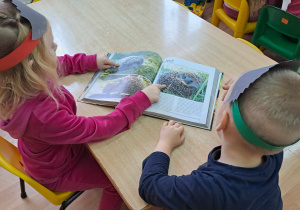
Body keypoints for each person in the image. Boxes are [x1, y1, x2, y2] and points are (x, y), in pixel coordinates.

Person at [0, 1, 165, 210]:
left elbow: (57, 64)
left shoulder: (20, 81)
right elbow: (96, 128)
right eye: (51, 47)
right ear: (34, 67)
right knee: (117, 181)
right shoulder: (43, 117)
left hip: (53, 153)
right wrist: (140, 100)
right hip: (59, 170)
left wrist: (90, 61)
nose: (57, 48)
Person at [139, 66, 300, 209]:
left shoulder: (208, 188)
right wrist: (243, 83)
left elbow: (149, 186)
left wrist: (165, 143)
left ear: (223, 122)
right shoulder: (273, 149)